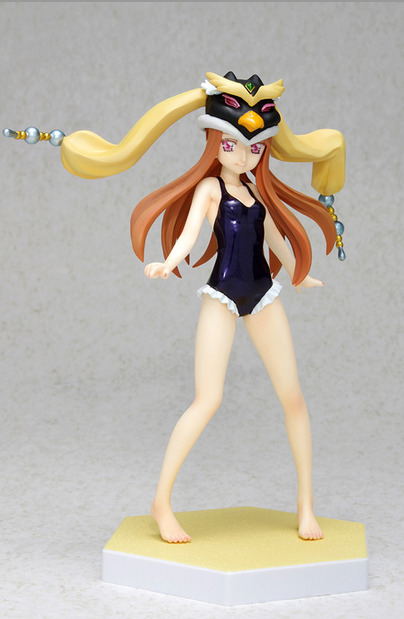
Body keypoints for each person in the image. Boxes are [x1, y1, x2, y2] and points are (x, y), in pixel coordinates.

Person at [4, 71, 346, 543]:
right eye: (232, 145)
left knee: (294, 399)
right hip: (223, 296)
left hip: (264, 295)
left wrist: (299, 272)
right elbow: (190, 234)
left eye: (254, 148)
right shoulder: (211, 191)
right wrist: (168, 262)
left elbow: (276, 241)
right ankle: (161, 502)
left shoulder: (256, 195)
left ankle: (306, 504)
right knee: (208, 400)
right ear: (214, 143)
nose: (243, 156)